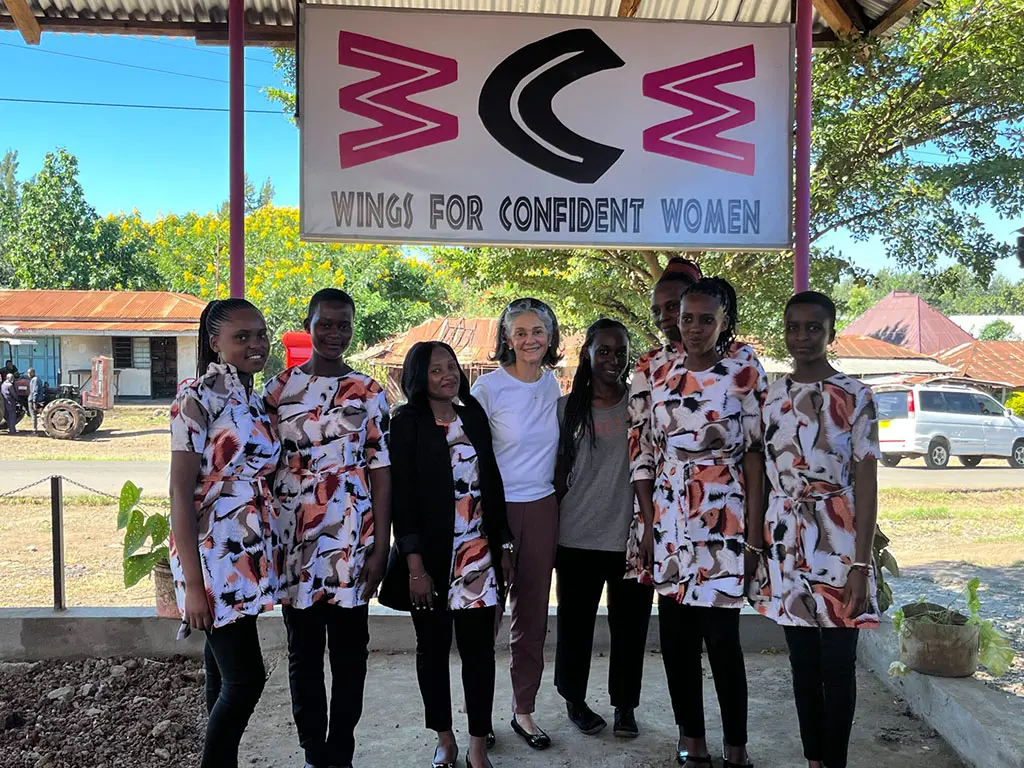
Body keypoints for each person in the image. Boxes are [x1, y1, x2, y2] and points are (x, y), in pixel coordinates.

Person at [628, 278, 766, 768]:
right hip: (668, 520)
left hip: (723, 517)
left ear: (725, 321)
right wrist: (648, 526)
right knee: (676, 641)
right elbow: (643, 451)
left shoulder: (744, 369)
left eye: (706, 319)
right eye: (687, 318)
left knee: (723, 640)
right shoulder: (656, 369)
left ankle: (736, 745)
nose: (694, 328)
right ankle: (692, 739)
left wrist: (752, 537)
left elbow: (755, 455)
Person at [263, 288, 391, 768]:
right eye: (326, 324)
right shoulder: (278, 391)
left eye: (344, 325)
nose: (335, 333)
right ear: (309, 324)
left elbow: (381, 469)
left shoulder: (369, 391)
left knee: (351, 653)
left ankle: (343, 746)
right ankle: (315, 750)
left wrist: (381, 546)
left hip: (352, 544)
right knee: (303, 653)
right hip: (296, 542)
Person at [755, 292, 879, 768]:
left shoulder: (856, 395)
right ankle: (814, 760)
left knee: (837, 663)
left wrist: (861, 565)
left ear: (831, 332)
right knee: (802, 662)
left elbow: (866, 483)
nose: (802, 336)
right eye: (793, 327)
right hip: (785, 541)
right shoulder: (770, 396)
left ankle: (836, 761)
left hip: (839, 539)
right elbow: (763, 474)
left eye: (813, 328)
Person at [379, 341, 515, 768]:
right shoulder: (405, 422)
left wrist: (504, 544)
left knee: (479, 652)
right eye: (436, 369)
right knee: (432, 649)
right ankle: (444, 738)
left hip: (477, 554)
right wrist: (415, 565)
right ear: (420, 376)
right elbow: (403, 499)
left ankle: (477, 744)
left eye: (452, 367)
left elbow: (492, 483)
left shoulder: (472, 415)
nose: (447, 375)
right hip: (431, 560)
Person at [168, 298, 283, 768]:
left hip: (247, 550)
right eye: (242, 337)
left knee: (221, 672)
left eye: (260, 334)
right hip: (213, 553)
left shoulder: (251, 398)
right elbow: (179, 492)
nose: (255, 344)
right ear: (214, 342)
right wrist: (194, 585)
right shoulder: (197, 397)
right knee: (246, 679)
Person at [553, 319, 654, 740]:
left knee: (630, 629)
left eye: (620, 351)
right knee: (575, 628)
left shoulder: (640, 406)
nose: (612, 358)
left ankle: (625, 707)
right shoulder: (565, 409)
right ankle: (574, 700)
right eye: (604, 350)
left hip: (628, 538)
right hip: (575, 537)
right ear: (588, 354)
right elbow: (556, 475)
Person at [471, 297, 562, 750]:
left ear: (550, 337)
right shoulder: (488, 391)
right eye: (521, 332)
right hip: (495, 511)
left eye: (538, 331)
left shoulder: (552, 387)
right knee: (484, 615)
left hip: (542, 508)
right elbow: (473, 460)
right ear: (507, 339)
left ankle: (523, 710)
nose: (531, 340)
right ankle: (479, 717)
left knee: (532, 617)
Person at [28, 368, 44, 434]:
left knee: (33, 415)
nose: (28, 374)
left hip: (33, 400)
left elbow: (35, 391)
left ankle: (34, 430)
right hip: (37, 399)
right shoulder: (38, 379)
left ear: (32, 373)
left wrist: (34, 401)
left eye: (29, 373)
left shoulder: (34, 380)